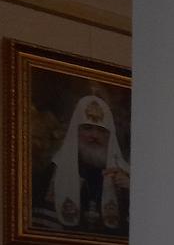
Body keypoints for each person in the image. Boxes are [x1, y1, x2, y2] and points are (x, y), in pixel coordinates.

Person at [31, 95, 130, 234]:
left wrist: (130, 190)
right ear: (75, 132)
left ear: (109, 136)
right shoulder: (53, 173)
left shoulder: (124, 175)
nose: (94, 135)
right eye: (87, 128)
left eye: (101, 130)